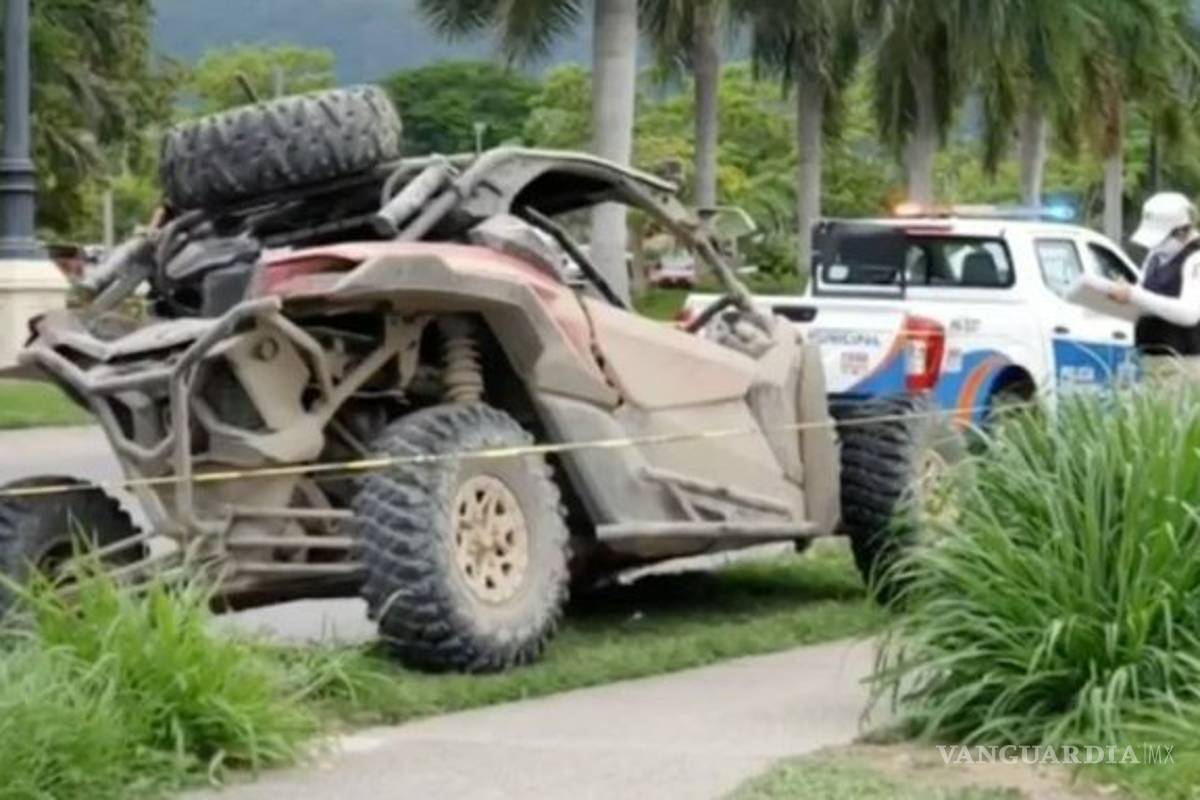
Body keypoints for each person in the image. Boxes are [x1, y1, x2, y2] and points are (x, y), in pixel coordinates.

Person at [1108, 192, 1200, 385]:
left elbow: (1190, 313)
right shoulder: (1154, 257)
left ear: (1182, 231)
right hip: (1149, 357)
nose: (1156, 246)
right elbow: (1144, 296)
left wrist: (1135, 295)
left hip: (1184, 361)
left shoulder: (1195, 258)